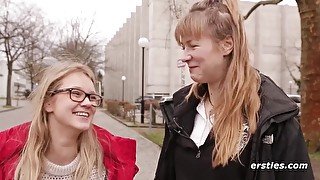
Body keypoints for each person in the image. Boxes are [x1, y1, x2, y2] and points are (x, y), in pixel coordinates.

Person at [155, 0, 314, 180]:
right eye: (183, 47)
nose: (184, 57)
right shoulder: (179, 112)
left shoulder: (273, 120)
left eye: (193, 46)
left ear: (227, 45)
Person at [0, 61, 138, 180]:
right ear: (48, 102)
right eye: (76, 93)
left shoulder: (108, 167)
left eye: (92, 97)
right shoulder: (12, 165)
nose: (88, 103)